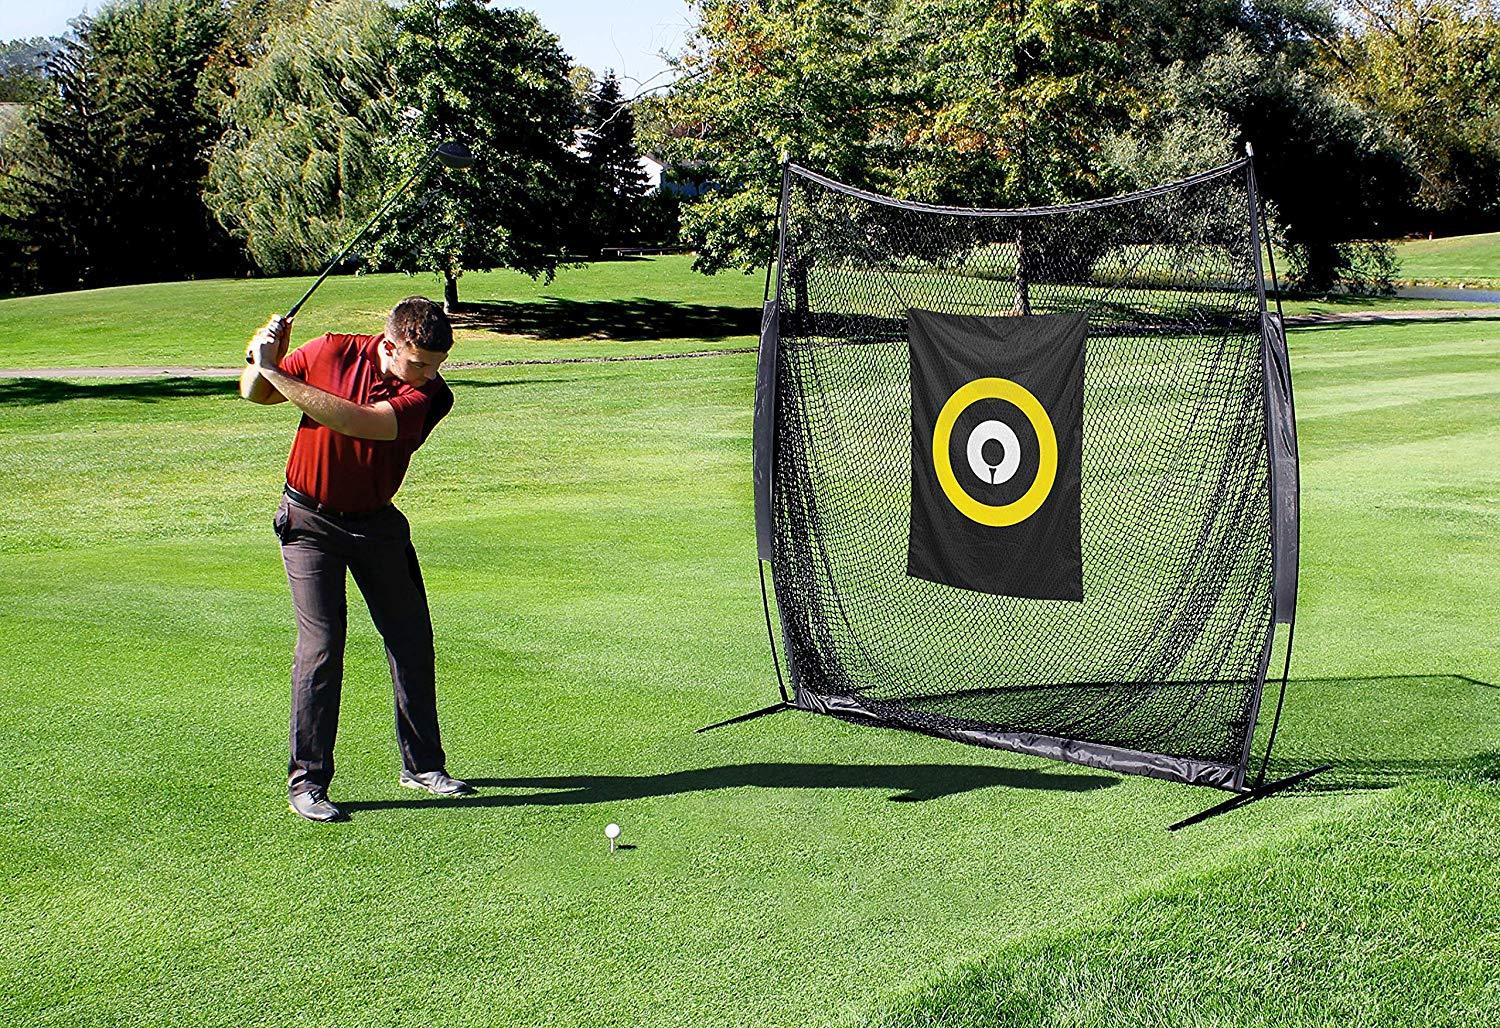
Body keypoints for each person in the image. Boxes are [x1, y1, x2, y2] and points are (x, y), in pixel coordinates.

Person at [241, 296, 475, 822]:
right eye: (418, 363)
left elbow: (361, 423)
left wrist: (275, 371)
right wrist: (262, 358)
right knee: (322, 647)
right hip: (309, 524)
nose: (428, 376)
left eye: (437, 365)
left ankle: (422, 766)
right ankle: (308, 782)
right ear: (388, 344)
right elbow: (254, 394)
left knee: (411, 639)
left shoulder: (431, 397)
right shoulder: (329, 351)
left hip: (377, 522)